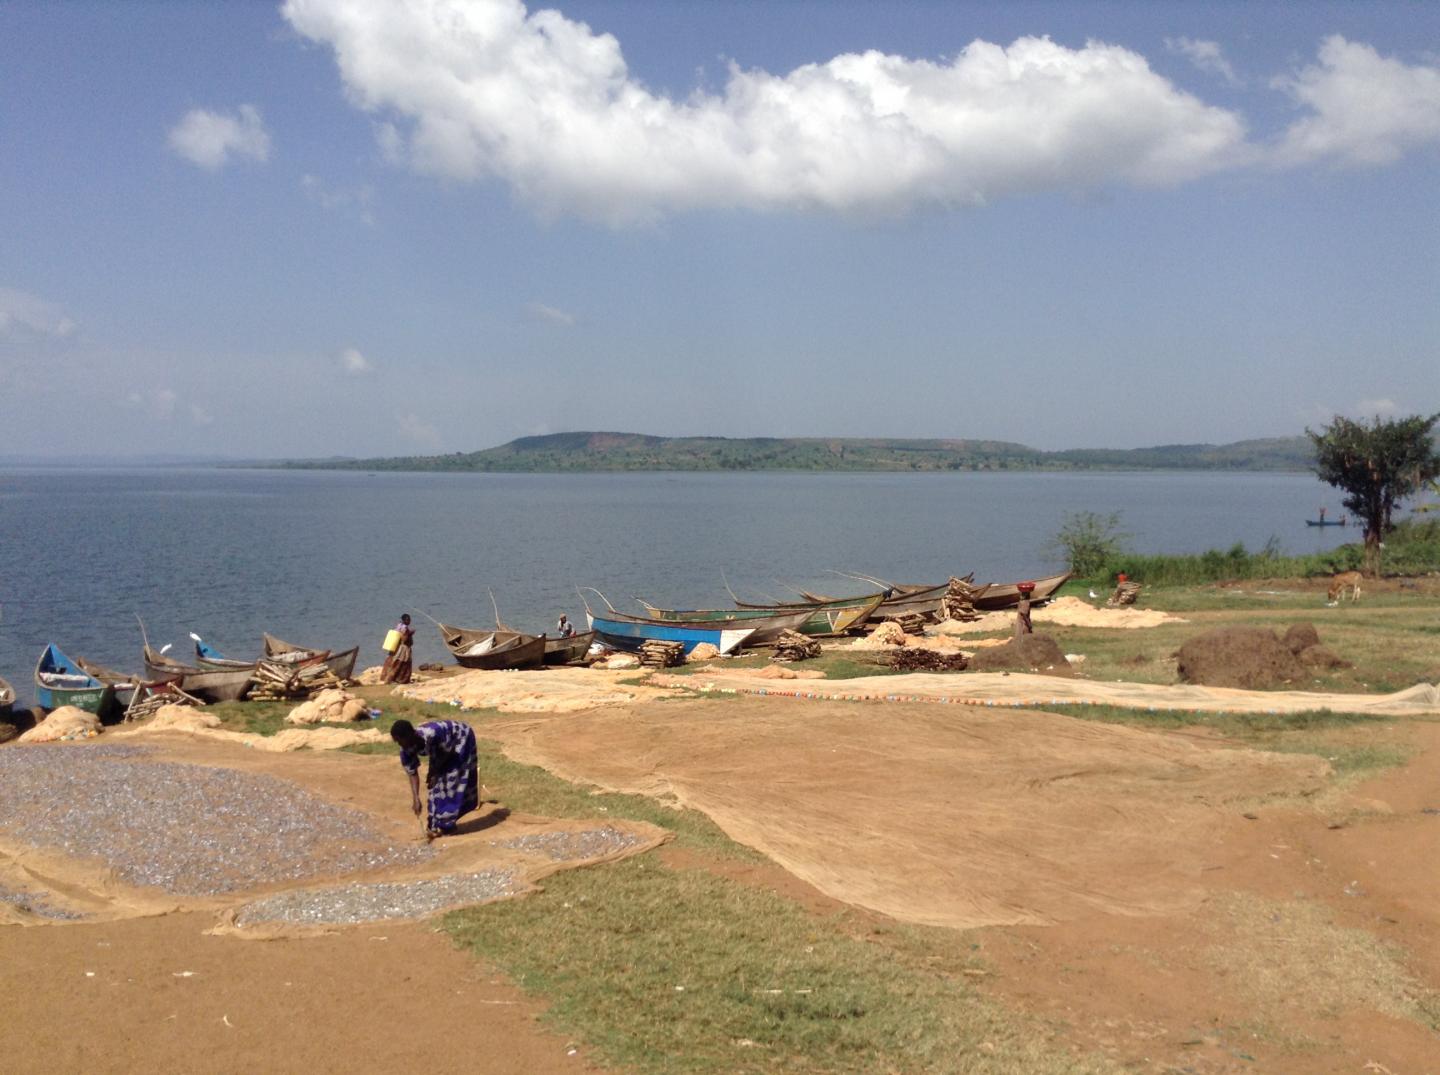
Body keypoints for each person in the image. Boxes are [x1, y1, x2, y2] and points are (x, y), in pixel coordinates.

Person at [390, 718, 480, 838]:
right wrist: (416, 798)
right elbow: (412, 773)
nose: (399, 744)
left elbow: (448, 752)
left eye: (400, 741)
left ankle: (448, 825)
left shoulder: (433, 734)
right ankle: (435, 824)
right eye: (397, 742)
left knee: (451, 781)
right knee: (436, 786)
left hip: (460, 738)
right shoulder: (405, 749)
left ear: (410, 735)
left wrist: (434, 771)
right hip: (441, 751)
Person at [381, 613, 415, 684]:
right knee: (402, 663)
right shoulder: (404, 628)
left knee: (393, 662)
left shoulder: (399, 625)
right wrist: (410, 633)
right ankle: (400, 679)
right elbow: (404, 639)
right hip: (403, 649)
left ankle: (389, 678)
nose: (409, 621)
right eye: (408, 620)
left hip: (396, 647)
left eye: (409, 620)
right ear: (404, 620)